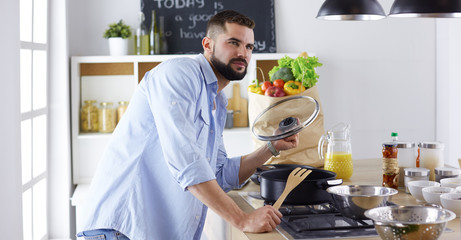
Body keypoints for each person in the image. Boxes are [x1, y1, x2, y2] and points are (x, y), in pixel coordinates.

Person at [77, 10, 299, 240]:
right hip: (120, 230)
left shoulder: (218, 101)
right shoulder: (179, 74)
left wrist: (271, 147)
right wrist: (242, 219)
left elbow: (219, 175)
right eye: (234, 43)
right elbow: (186, 160)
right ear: (208, 44)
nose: (243, 53)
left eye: (249, 47)